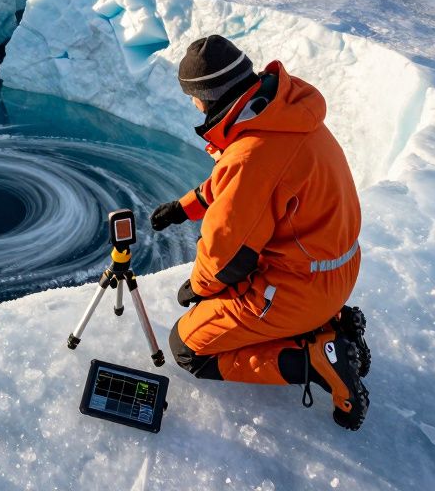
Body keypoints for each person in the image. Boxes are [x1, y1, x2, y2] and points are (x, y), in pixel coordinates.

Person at [151, 35, 371, 430]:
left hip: (298, 288)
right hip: (333, 268)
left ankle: (316, 360)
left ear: (209, 95)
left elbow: (227, 259)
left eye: (193, 97)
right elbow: (242, 187)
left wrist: (199, 287)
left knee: (187, 348)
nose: (193, 105)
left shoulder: (253, 154)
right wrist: (184, 208)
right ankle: (332, 325)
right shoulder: (281, 115)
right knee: (220, 302)